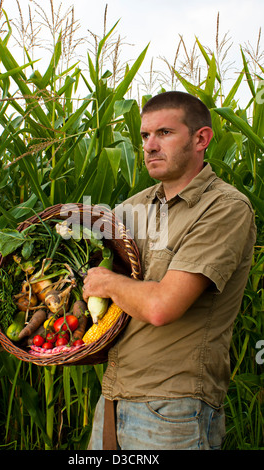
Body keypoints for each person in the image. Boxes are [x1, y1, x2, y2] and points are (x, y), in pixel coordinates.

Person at [82, 91, 257, 450]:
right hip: (113, 401)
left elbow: (163, 306)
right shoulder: (131, 209)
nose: (149, 146)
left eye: (164, 133)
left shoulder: (224, 208)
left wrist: (106, 281)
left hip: (174, 410)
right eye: (145, 136)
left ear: (201, 139)